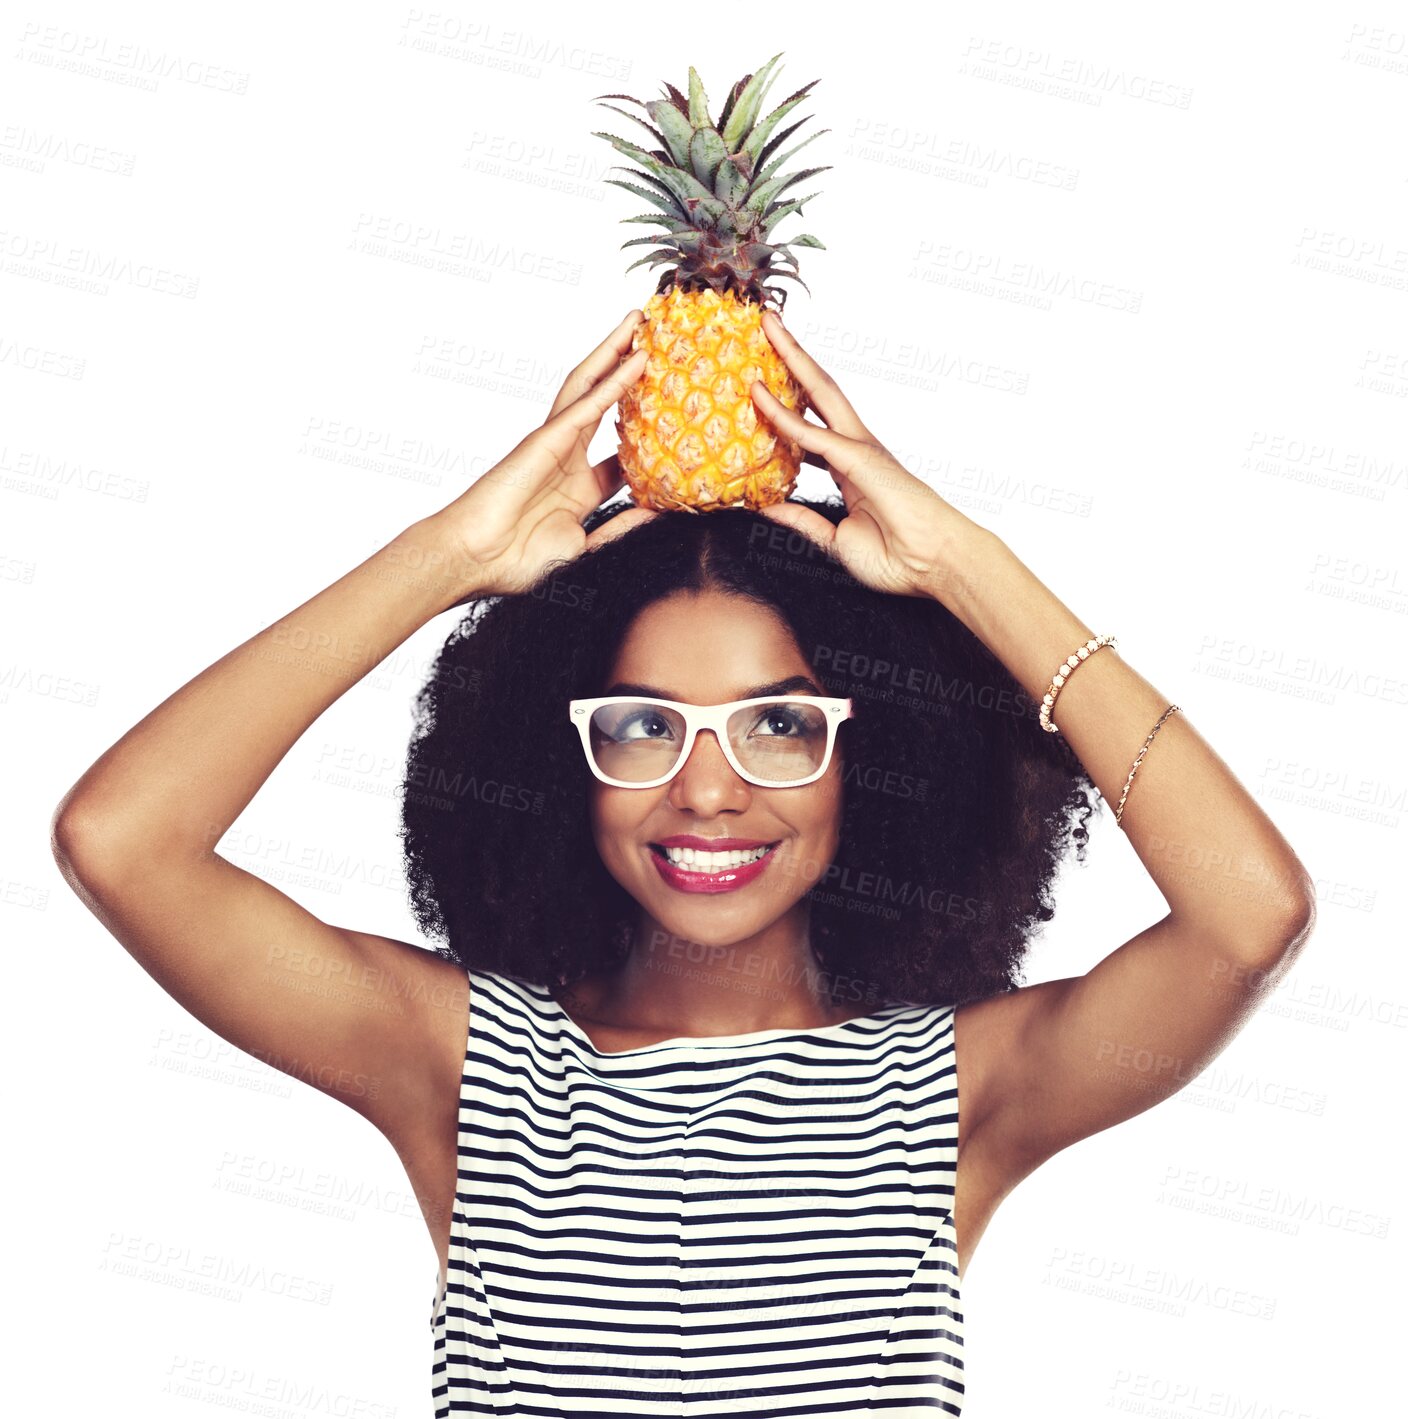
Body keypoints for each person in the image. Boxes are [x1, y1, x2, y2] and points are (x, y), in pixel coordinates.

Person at [51, 309, 1317, 1416]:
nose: (708, 791)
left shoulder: (958, 1089)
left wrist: (959, 569)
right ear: (566, 760)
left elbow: (1246, 919)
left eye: (780, 723)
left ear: (864, 765)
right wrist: (451, 557)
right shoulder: (459, 1066)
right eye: (643, 725)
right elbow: (123, 842)